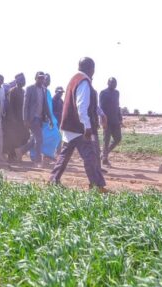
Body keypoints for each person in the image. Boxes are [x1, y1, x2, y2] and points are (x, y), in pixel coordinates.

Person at [50, 57, 107, 192]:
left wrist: (101, 113)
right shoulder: (84, 82)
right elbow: (82, 107)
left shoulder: (74, 79)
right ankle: (97, 186)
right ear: (90, 68)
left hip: (69, 126)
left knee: (65, 155)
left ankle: (53, 180)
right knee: (90, 156)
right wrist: (87, 127)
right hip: (79, 127)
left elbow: (90, 105)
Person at [15, 71, 53, 167]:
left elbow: (46, 106)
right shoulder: (30, 89)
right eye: (39, 78)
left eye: (42, 78)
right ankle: (37, 161)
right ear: (35, 78)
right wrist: (25, 119)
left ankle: (20, 151)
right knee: (39, 139)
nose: (41, 79)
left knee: (34, 139)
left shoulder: (43, 90)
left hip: (40, 119)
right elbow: (25, 105)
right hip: (32, 118)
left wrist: (51, 118)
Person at [30, 73, 61, 165]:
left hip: (49, 119)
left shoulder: (47, 92)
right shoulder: (38, 90)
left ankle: (47, 155)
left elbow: (48, 107)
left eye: (48, 79)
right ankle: (35, 155)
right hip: (41, 119)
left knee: (55, 136)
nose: (47, 81)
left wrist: (51, 118)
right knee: (42, 138)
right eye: (45, 79)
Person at [3, 73, 30, 161]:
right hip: (13, 120)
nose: (23, 81)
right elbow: (10, 106)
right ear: (17, 81)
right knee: (13, 138)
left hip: (21, 119)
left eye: (24, 79)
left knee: (25, 136)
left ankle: (16, 154)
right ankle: (11, 156)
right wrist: (12, 119)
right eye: (21, 80)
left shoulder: (23, 92)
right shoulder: (12, 91)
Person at [99, 77, 122, 167]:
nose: (114, 84)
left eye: (115, 83)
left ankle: (104, 153)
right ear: (108, 83)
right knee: (106, 140)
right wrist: (102, 120)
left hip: (115, 119)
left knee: (118, 138)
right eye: (112, 83)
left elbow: (117, 105)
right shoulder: (103, 93)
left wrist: (120, 117)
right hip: (107, 120)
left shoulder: (117, 93)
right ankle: (105, 158)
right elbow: (100, 107)